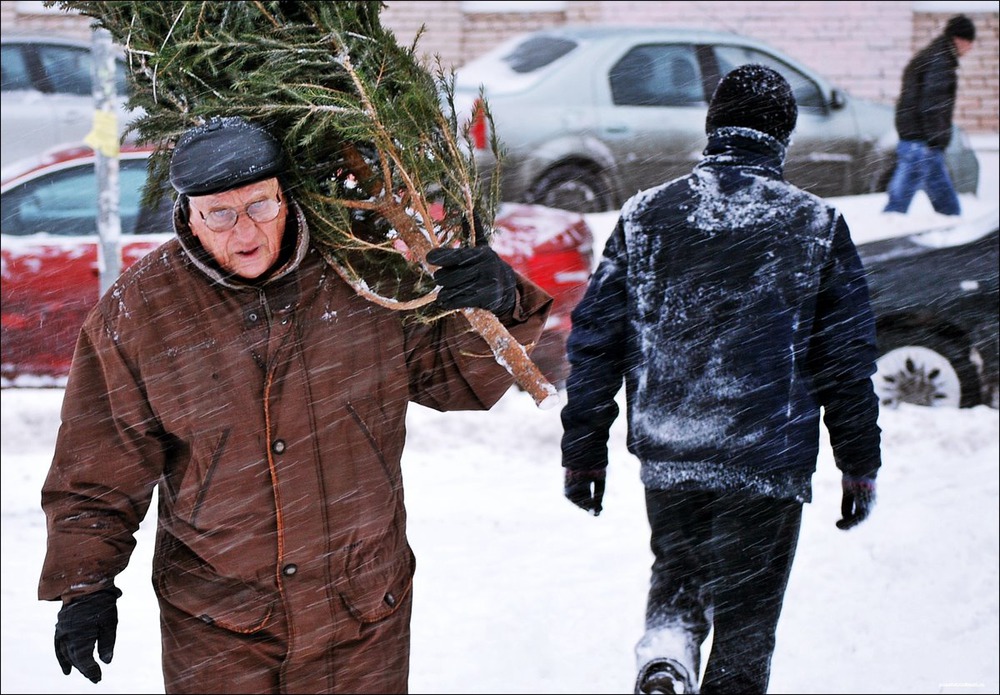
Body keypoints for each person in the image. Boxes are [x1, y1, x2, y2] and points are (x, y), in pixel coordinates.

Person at [38, 116, 552, 694]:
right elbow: (99, 466)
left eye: (259, 205)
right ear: (188, 216)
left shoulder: (359, 278)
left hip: (361, 617)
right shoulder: (140, 313)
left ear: (286, 195)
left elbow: (458, 378)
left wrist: (502, 300)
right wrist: (86, 585)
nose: (245, 230)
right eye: (221, 214)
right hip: (219, 627)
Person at [559, 65, 882, 694]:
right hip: (768, 459)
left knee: (677, 573)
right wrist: (859, 462)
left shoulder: (646, 216)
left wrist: (583, 455)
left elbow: (595, 341)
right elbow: (846, 361)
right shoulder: (815, 225)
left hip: (671, 448)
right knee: (747, 618)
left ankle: (667, 656)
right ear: (782, 138)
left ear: (713, 130)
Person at [883, 14, 976, 217]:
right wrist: (934, 140)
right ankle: (890, 222)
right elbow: (933, 105)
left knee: (938, 186)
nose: (970, 48)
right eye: (970, 43)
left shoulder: (932, 56)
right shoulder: (940, 62)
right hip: (922, 139)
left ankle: (953, 220)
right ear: (959, 39)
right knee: (903, 193)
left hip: (916, 136)